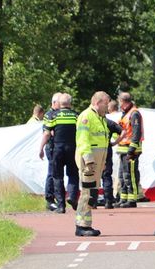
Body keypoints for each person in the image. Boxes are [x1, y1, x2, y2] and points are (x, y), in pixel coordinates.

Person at [73, 91, 114, 236]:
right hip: (89, 161)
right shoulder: (86, 116)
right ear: (98, 102)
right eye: (106, 103)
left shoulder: (100, 117)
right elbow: (83, 140)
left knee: (92, 192)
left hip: (97, 161)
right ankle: (82, 225)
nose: (108, 106)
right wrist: (89, 160)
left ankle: (86, 224)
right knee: (87, 193)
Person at [41, 93, 79, 213]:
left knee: (57, 176)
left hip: (58, 149)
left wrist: (41, 148)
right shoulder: (76, 116)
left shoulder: (53, 116)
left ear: (59, 103)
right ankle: (72, 196)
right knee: (73, 174)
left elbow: (47, 133)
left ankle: (61, 205)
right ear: (70, 103)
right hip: (72, 149)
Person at [115, 91, 145, 207]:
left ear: (123, 102)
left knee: (130, 175)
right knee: (122, 176)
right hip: (123, 148)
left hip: (130, 150)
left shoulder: (134, 113)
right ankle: (124, 198)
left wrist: (131, 149)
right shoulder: (126, 113)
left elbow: (136, 132)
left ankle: (132, 200)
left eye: (119, 102)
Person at [39, 93, 61, 211]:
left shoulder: (59, 114)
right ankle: (49, 199)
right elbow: (47, 132)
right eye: (60, 102)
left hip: (58, 147)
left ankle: (57, 197)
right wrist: (41, 148)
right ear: (54, 102)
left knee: (57, 173)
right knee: (52, 173)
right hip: (51, 146)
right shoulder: (49, 115)